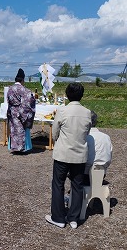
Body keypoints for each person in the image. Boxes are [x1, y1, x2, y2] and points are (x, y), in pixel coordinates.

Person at [45, 82, 91, 229]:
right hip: (79, 154)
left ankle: (58, 217)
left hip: (63, 153)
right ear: (81, 96)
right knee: (77, 185)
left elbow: (55, 131)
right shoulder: (87, 112)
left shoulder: (62, 110)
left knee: (58, 184)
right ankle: (73, 219)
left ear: (67, 95)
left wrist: (59, 140)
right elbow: (87, 132)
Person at [6, 68, 36, 153]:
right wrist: (24, 113)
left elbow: (8, 100)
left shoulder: (10, 88)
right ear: (22, 79)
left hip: (12, 111)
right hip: (20, 111)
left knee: (13, 129)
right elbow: (29, 102)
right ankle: (22, 148)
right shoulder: (24, 89)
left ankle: (13, 147)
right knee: (21, 129)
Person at [84, 111, 113, 185]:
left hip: (85, 174)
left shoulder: (84, 137)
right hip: (102, 172)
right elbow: (109, 155)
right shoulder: (106, 137)